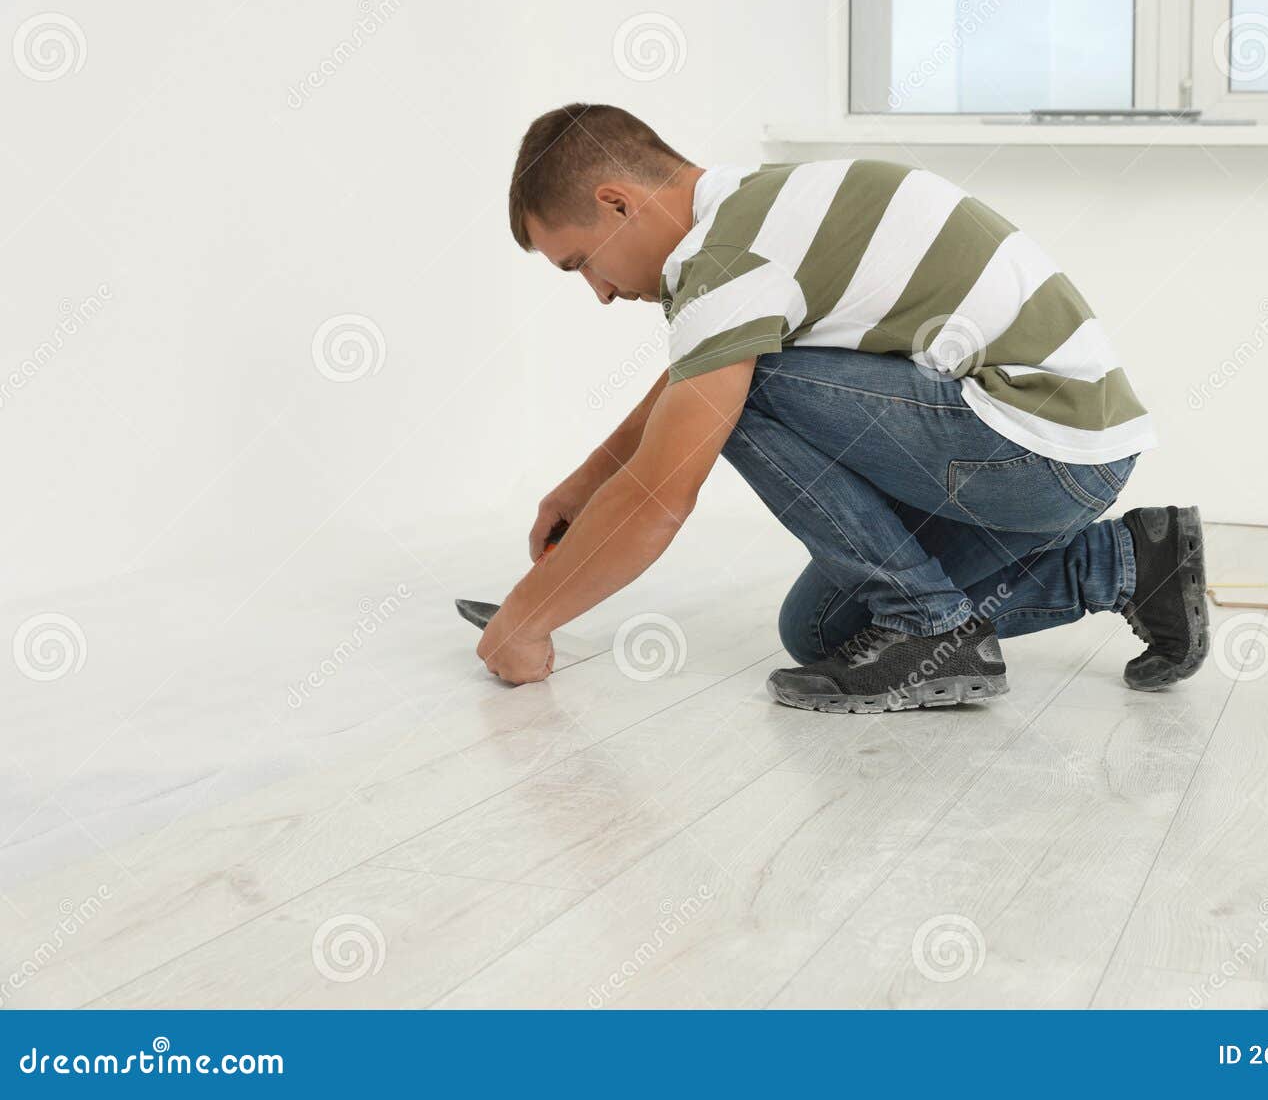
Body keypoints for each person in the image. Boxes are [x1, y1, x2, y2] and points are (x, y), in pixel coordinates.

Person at [477, 103, 1208, 711]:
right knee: (824, 630)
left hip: (1033, 450)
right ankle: (1126, 564)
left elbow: (660, 497)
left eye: (580, 264)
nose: (599, 292)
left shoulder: (729, 261)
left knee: (741, 385)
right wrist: (583, 484)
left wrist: (526, 620)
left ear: (615, 202)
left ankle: (926, 622)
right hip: (1067, 452)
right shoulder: (751, 214)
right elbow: (690, 380)